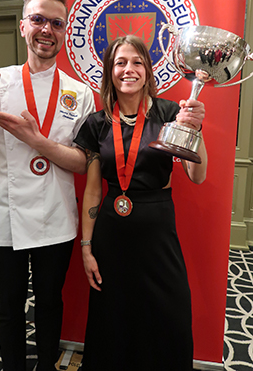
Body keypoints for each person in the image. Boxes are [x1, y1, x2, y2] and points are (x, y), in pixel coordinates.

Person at [0, 0, 95, 371]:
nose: (46, 29)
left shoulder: (79, 93)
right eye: (38, 19)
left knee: (50, 303)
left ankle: (47, 363)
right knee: (8, 307)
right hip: (2, 216)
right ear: (22, 27)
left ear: (65, 32)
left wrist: (35, 140)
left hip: (55, 217)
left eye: (56, 22)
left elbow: (82, 163)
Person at [74, 35, 207, 371]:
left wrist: (195, 129)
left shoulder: (170, 112)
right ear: (110, 71)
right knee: (113, 319)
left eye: (136, 62)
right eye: (120, 62)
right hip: (110, 235)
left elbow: (197, 175)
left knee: (168, 316)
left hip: (157, 233)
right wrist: (87, 247)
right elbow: (92, 190)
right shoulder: (97, 123)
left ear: (147, 70)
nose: (128, 69)